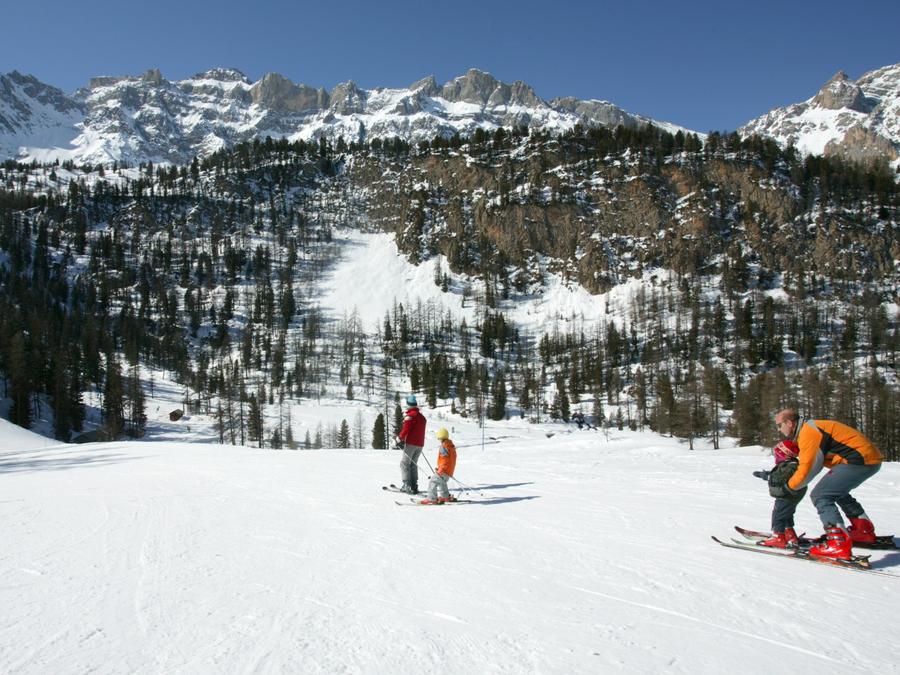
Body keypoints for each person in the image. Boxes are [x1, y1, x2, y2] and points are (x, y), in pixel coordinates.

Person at [772, 408, 883, 560]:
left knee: (821, 495)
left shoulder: (808, 432)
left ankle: (838, 543)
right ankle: (862, 530)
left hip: (859, 460)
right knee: (836, 492)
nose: (779, 429)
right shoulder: (810, 429)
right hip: (866, 459)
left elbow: (808, 468)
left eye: (779, 425)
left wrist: (788, 487)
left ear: (790, 423)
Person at [752, 439, 806, 548]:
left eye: (777, 454)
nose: (776, 456)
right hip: (792, 495)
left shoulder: (789, 467)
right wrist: (767, 474)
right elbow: (781, 476)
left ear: (785, 455)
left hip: (786, 495)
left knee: (779, 515)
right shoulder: (792, 464)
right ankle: (790, 534)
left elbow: (779, 478)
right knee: (787, 514)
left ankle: (778, 537)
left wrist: (767, 476)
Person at [396, 395, 426, 494]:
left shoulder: (410, 416)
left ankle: (406, 485)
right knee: (413, 464)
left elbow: (406, 429)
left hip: (411, 444)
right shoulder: (422, 417)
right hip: (420, 444)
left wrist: (398, 438)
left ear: (409, 405)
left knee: (404, 463)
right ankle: (414, 485)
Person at [421, 427, 457, 505]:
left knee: (433, 481)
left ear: (440, 437)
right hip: (448, 471)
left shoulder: (444, 447)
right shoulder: (451, 446)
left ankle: (431, 498)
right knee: (442, 482)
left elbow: (445, 460)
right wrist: (441, 467)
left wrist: (441, 469)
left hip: (443, 470)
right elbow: (450, 460)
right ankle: (445, 496)